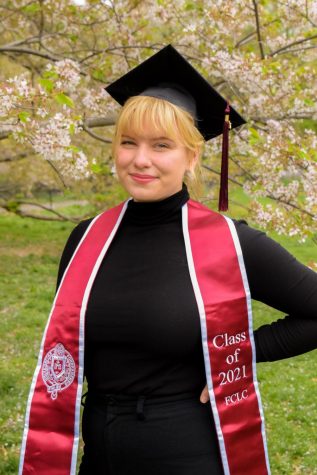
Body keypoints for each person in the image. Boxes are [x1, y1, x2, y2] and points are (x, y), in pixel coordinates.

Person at [19, 45, 317, 475]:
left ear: (191, 157)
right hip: (97, 457)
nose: (141, 159)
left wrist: (240, 353)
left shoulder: (230, 242)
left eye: (162, 145)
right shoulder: (86, 239)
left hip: (186, 455)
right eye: (128, 142)